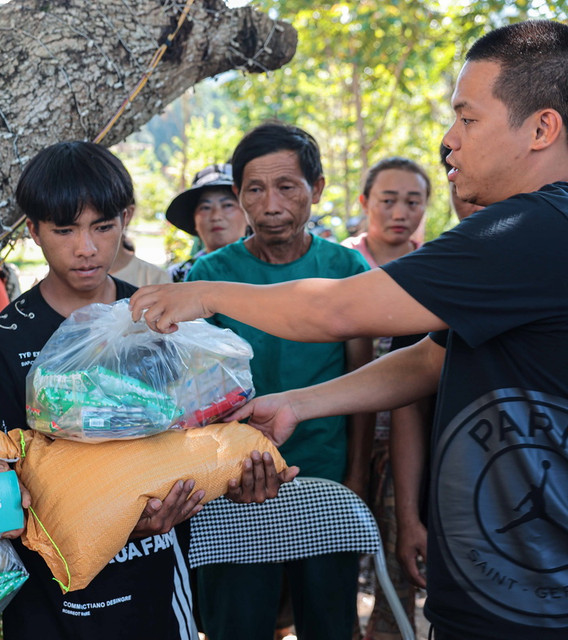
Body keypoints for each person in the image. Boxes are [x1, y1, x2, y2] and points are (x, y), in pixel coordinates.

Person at [130, 20, 568, 640]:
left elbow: (335, 311)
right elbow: (430, 360)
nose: (448, 140)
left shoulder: (532, 229)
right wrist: (299, 403)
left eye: (467, 119)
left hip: (532, 604)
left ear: (542, 128)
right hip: (497, 587)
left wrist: (204, 293)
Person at [0, 140, 294, 640]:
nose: (86, 247)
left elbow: (200, 437)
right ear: (32, 230)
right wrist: (108, 518)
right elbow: (0, 480)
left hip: (154, 585)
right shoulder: (6, 343)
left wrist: (235, 476)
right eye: (64, 230)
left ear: (125, 220)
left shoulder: (160, 318)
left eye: (102, 227)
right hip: (50, 601)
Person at [183, 122, 374, 640]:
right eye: (255, 189)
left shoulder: (347, 268)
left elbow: (364, 385)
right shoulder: (209, 276)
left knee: (329, 623)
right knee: (236, 624)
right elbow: (193, 395)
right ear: (239, 194)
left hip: (325, 480)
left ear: (317, 188)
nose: (270, 205)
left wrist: (356, 478)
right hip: (234, 488)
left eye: (287, 187)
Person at [340, 157, 431, 640]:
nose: (400, 212)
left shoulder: (437, 264)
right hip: (344, 436)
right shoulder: (342, 265)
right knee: (338, 563)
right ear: (365, 202)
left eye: (413, 202)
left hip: (408, 439)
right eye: (388, 200)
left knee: (402, 557)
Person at [388, 145, 484, 596]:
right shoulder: (433, 273)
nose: (469, 192)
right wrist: (408, 516)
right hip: (452, 506)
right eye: (456, 173)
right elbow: (410, 393)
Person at [165, 163, 250, 282]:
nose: (216, 216)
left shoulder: (269, 269)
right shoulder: (176, 277)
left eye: (227, 205)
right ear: (194, 220)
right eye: (205, 207)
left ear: (248, 214)